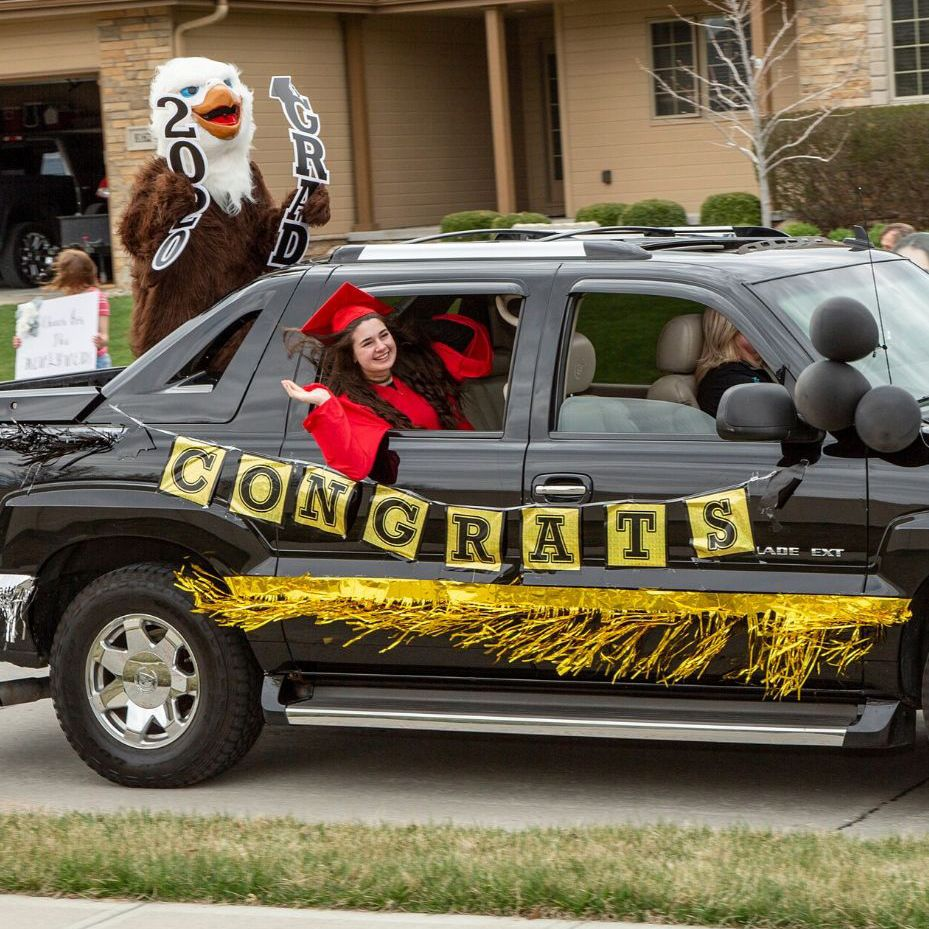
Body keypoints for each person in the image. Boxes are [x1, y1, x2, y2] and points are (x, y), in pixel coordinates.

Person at [281, 282, 493, 480]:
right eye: (367, 343)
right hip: (433, 485)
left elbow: (477, 350)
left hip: (476, 466)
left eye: (384, 335)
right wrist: (325, 403)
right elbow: (354, 466)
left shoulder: (420, 367)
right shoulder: (355, 405)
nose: (381, 346)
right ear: (352, 355)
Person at [12, 249, 110, 368]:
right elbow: (49, 335)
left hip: (95, 361)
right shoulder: (65, 304)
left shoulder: (97, 299)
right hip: (68, 363)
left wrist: (101, 341)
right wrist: (23, 341)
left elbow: (104, 336)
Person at [695, 309, 772, 417]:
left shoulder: (750, 369)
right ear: (726, 333)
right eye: (753, 327)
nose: (764, 333)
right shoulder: (728, 381)